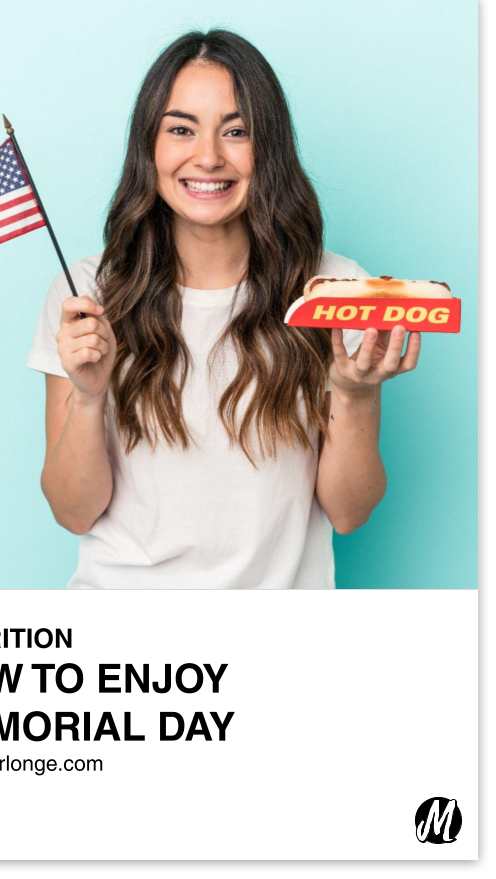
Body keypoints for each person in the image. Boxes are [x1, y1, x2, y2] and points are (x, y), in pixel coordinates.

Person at [27, 30, 420, 589]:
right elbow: (73, 512)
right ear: (150, 146)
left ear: (270, 148)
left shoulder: (336, 290)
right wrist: (89, 398)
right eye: (181, 129)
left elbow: (350, 512)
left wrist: (354, 395)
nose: (208, 157)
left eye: (236, 132)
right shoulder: (88, 293)